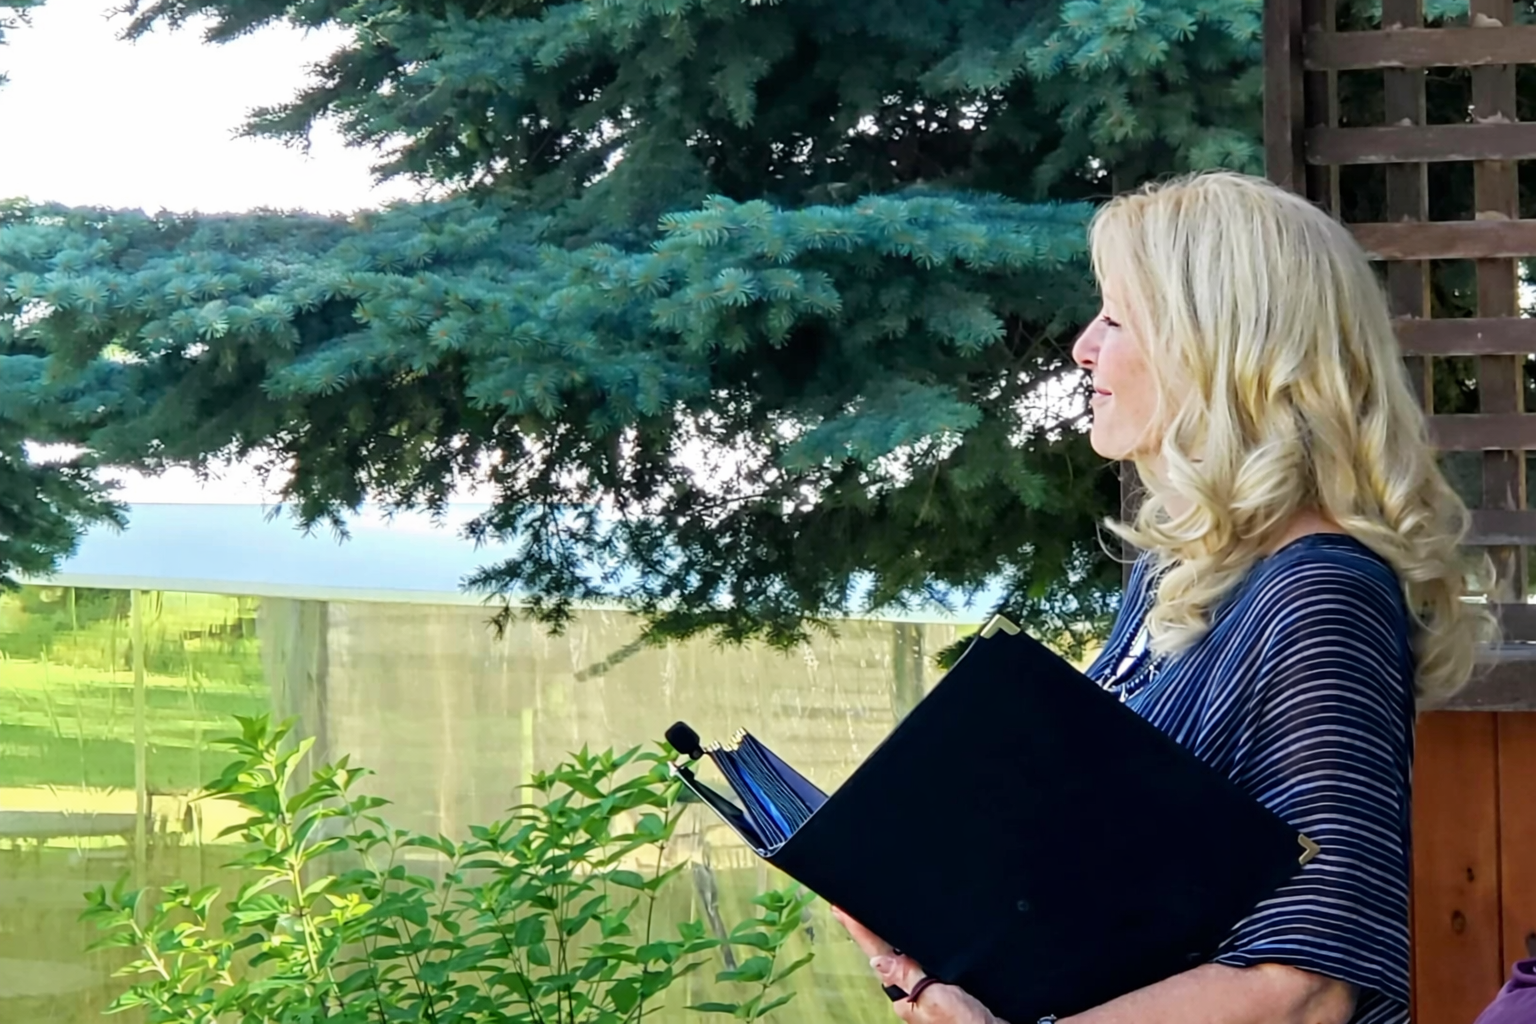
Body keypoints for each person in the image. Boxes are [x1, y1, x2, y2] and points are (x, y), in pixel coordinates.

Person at [835, 170, 1497, 1024]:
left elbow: (1307, 988)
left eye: (1115, 317)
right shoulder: (1180, 572)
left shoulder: (1324, 595)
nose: (1081, 347)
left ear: (1216, 347)